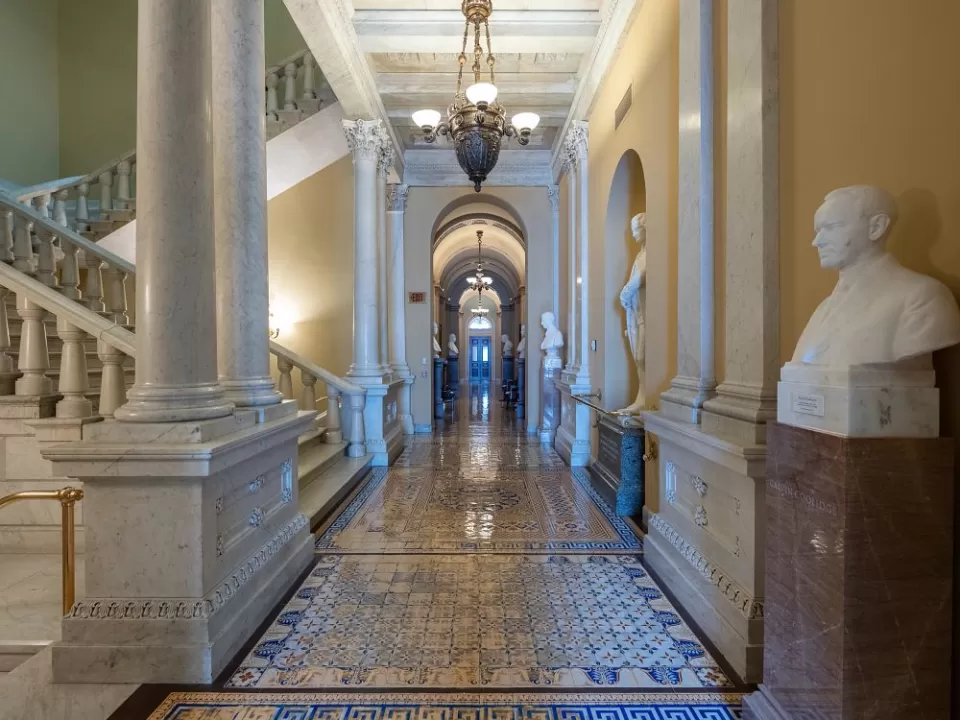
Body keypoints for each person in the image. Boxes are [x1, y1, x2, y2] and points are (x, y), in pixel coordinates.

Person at [791, 186, 960, 367]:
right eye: (818, 231)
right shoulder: (823, 309)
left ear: (876, 227)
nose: (817, 242)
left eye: (831, 228)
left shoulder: (922, 298)